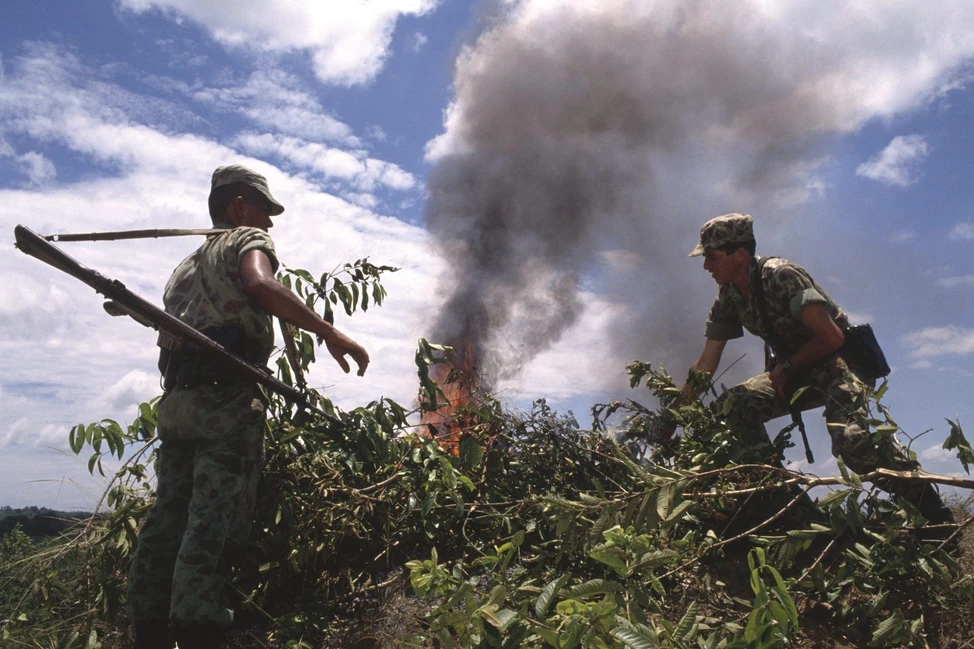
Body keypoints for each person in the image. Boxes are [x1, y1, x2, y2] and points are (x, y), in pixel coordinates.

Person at [126, 165, 370, 649]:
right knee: (214, 522)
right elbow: (259, 283)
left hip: (177, 405)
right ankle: (198, 630)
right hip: (226, 403)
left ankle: (147, 629)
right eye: (264, 208)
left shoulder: (184, 267)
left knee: (167, 518)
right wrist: (328, 331)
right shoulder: (245, 240)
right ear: (239, 206)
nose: (270, 221)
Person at [680, 213, 953, 528]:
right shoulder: (729, 296)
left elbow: (832, 337)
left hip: (841, 366)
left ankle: (936, 516)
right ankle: (794, 512)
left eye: (712, 257)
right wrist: (675, 414)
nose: (706, 266)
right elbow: (706, 364)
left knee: (851, 442)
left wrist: (789, 366)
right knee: (733, 407)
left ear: (739, 254)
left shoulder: (781, 275)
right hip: (796, 372)